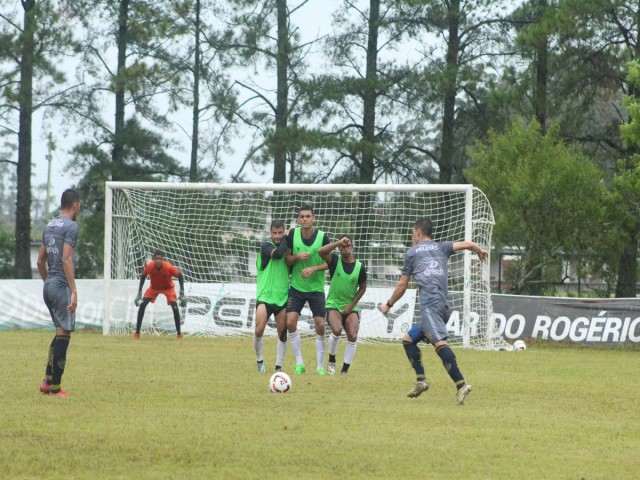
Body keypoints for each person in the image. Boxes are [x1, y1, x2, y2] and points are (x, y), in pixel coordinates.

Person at [379, 217, 488, 405]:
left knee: (439, 344)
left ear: (418, 232)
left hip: (430, 306)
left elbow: (402, 285)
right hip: (444, 306)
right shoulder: (442, 247)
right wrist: (479, 250)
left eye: (413, 233)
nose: (412, 237)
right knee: (408, 340)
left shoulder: (412, 253)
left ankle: (461, 384)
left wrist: (388, 304)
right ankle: (421, 381)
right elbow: (468, 244)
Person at [37, 188, 81, 398]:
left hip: (48, 285)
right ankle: (55, 389)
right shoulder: (71, 226)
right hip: (61, 285)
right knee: (64, 335)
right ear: (75, 205)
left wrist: (49, 283)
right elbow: (66, 259)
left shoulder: (49, 225)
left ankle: (47, 381)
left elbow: (40, 261)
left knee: (58, 333)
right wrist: (73, 290)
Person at [285, 204, 330, 375]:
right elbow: (287, 259)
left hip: (316, 289)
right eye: (302, 216)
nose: (305, 219)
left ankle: (320, 367)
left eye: (308, 216)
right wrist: (297, 257)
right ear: (299, 219)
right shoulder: (293, 234)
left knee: (320, 325)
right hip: (296, 287)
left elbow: (329, 263)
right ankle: (299, 363)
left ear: (313, 218)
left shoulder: (323, 237)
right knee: (290, 322)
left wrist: (314, 268)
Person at [318, 234, 367, 376]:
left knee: (353, 335)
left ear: (352, 246)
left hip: (350, 306)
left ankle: (344, 370)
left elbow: (362, 288)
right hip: (333, 304)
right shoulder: (334, 261)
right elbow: (321, 251)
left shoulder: (360, 267)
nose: (346, 248)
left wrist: (351, 306)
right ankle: (331, 360)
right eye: (343, 246)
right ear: (339, 248)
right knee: (337, 329)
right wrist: (337, 242)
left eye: (348, 245)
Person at [254, 220, 289, 373]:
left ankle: (278, 367)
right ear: (270, 233)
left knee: (282, 334)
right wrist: (287, 238)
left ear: (283, 231)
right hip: (265, 297)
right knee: (258, 330)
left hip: (282, 297)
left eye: (280, 233)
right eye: (275, 233)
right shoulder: (266, 247)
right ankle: (260, 361)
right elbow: (278, 254)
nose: (277, 236)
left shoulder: (288, 250)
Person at [134, 249, 187, 339]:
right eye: (156, 258)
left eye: (160, 258)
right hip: (154, 288)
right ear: (153, 259)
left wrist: (182, 293)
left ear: (163, 259)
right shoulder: (149, 266)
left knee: (175, 307)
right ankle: (137, 333)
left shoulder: (168, 267)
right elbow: (143, 276)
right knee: (142, 305)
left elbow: (180, 276)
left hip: (168, 288)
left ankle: (179, 334)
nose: (158, 260)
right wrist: (139, 293)